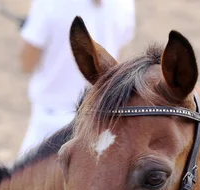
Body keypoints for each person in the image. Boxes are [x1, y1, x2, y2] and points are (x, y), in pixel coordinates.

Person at [17, 0, 135, 157]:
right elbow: (115, 59)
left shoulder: (48, 3)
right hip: (96, 123)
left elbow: (27, 64)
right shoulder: (125, 3)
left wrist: (31, 31)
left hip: (49, 123)